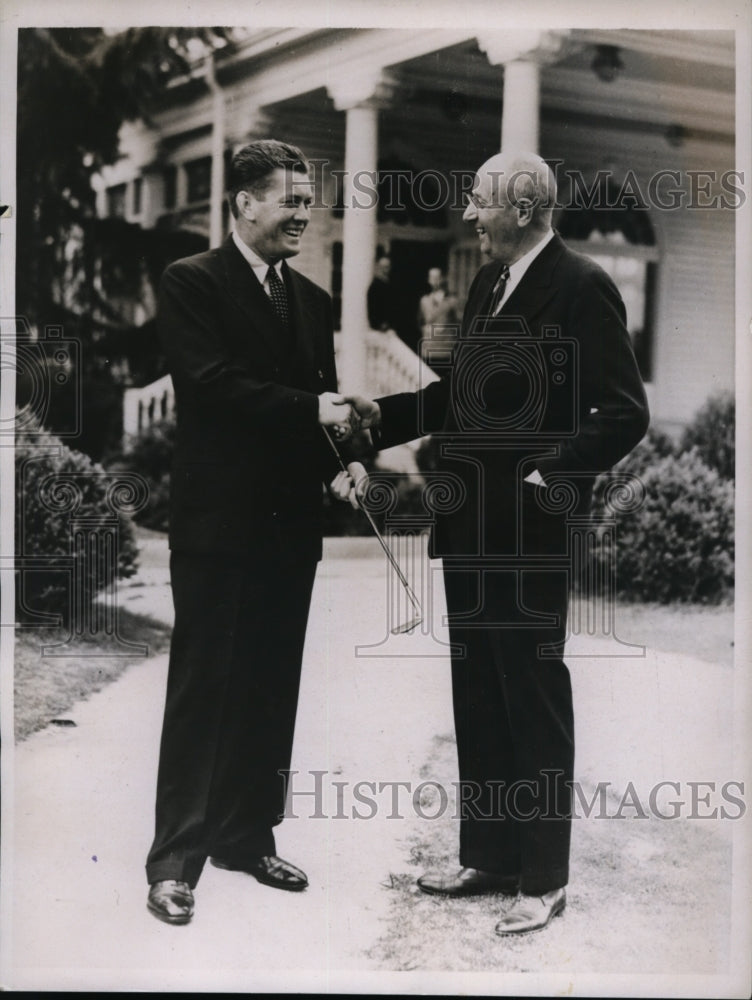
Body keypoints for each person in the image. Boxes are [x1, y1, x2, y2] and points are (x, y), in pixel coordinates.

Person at [338, 151, 649, 936]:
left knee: (533, 697)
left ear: (521, 208)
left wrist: (556, 471)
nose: (469, 217)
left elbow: (623, 411)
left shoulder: (583, 286)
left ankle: (543, 879)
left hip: (531, 533)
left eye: (479, 203)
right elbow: (458, 396)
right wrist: (384, 416)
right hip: (470, 524)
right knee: (478, 692)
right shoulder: (487, 284)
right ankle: (490, 856)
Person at [145, 139, 359, 925]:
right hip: (218, 528)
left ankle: (247, 835)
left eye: (310, 202)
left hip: (289, 528)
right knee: (206, 690)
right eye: (291, 201)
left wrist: (346, 459)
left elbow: (321, 401)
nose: (305, 214)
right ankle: (174, 862)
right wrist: (313, 412)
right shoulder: (191, 283)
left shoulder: (313, 301)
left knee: (272, 683)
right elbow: (212, 386)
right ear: (244, 204)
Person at [417, 266, 459, 367]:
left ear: (443, 279)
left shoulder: (451, 301)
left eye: (437, 277)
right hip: (429, 349)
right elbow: (420, 321)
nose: (435, 281)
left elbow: (458, 323)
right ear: (428, 280)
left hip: (446, 349)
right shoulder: (424, 300)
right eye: (432, 278)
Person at [366, 253, 395, 332]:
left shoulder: (390, 285)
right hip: (379, 330)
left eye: (386, 267)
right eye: (381, 267)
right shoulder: (374, 287)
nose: (384, 270)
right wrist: (381, 325)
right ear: (378, 267)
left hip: (390, 330)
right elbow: (373, 312)